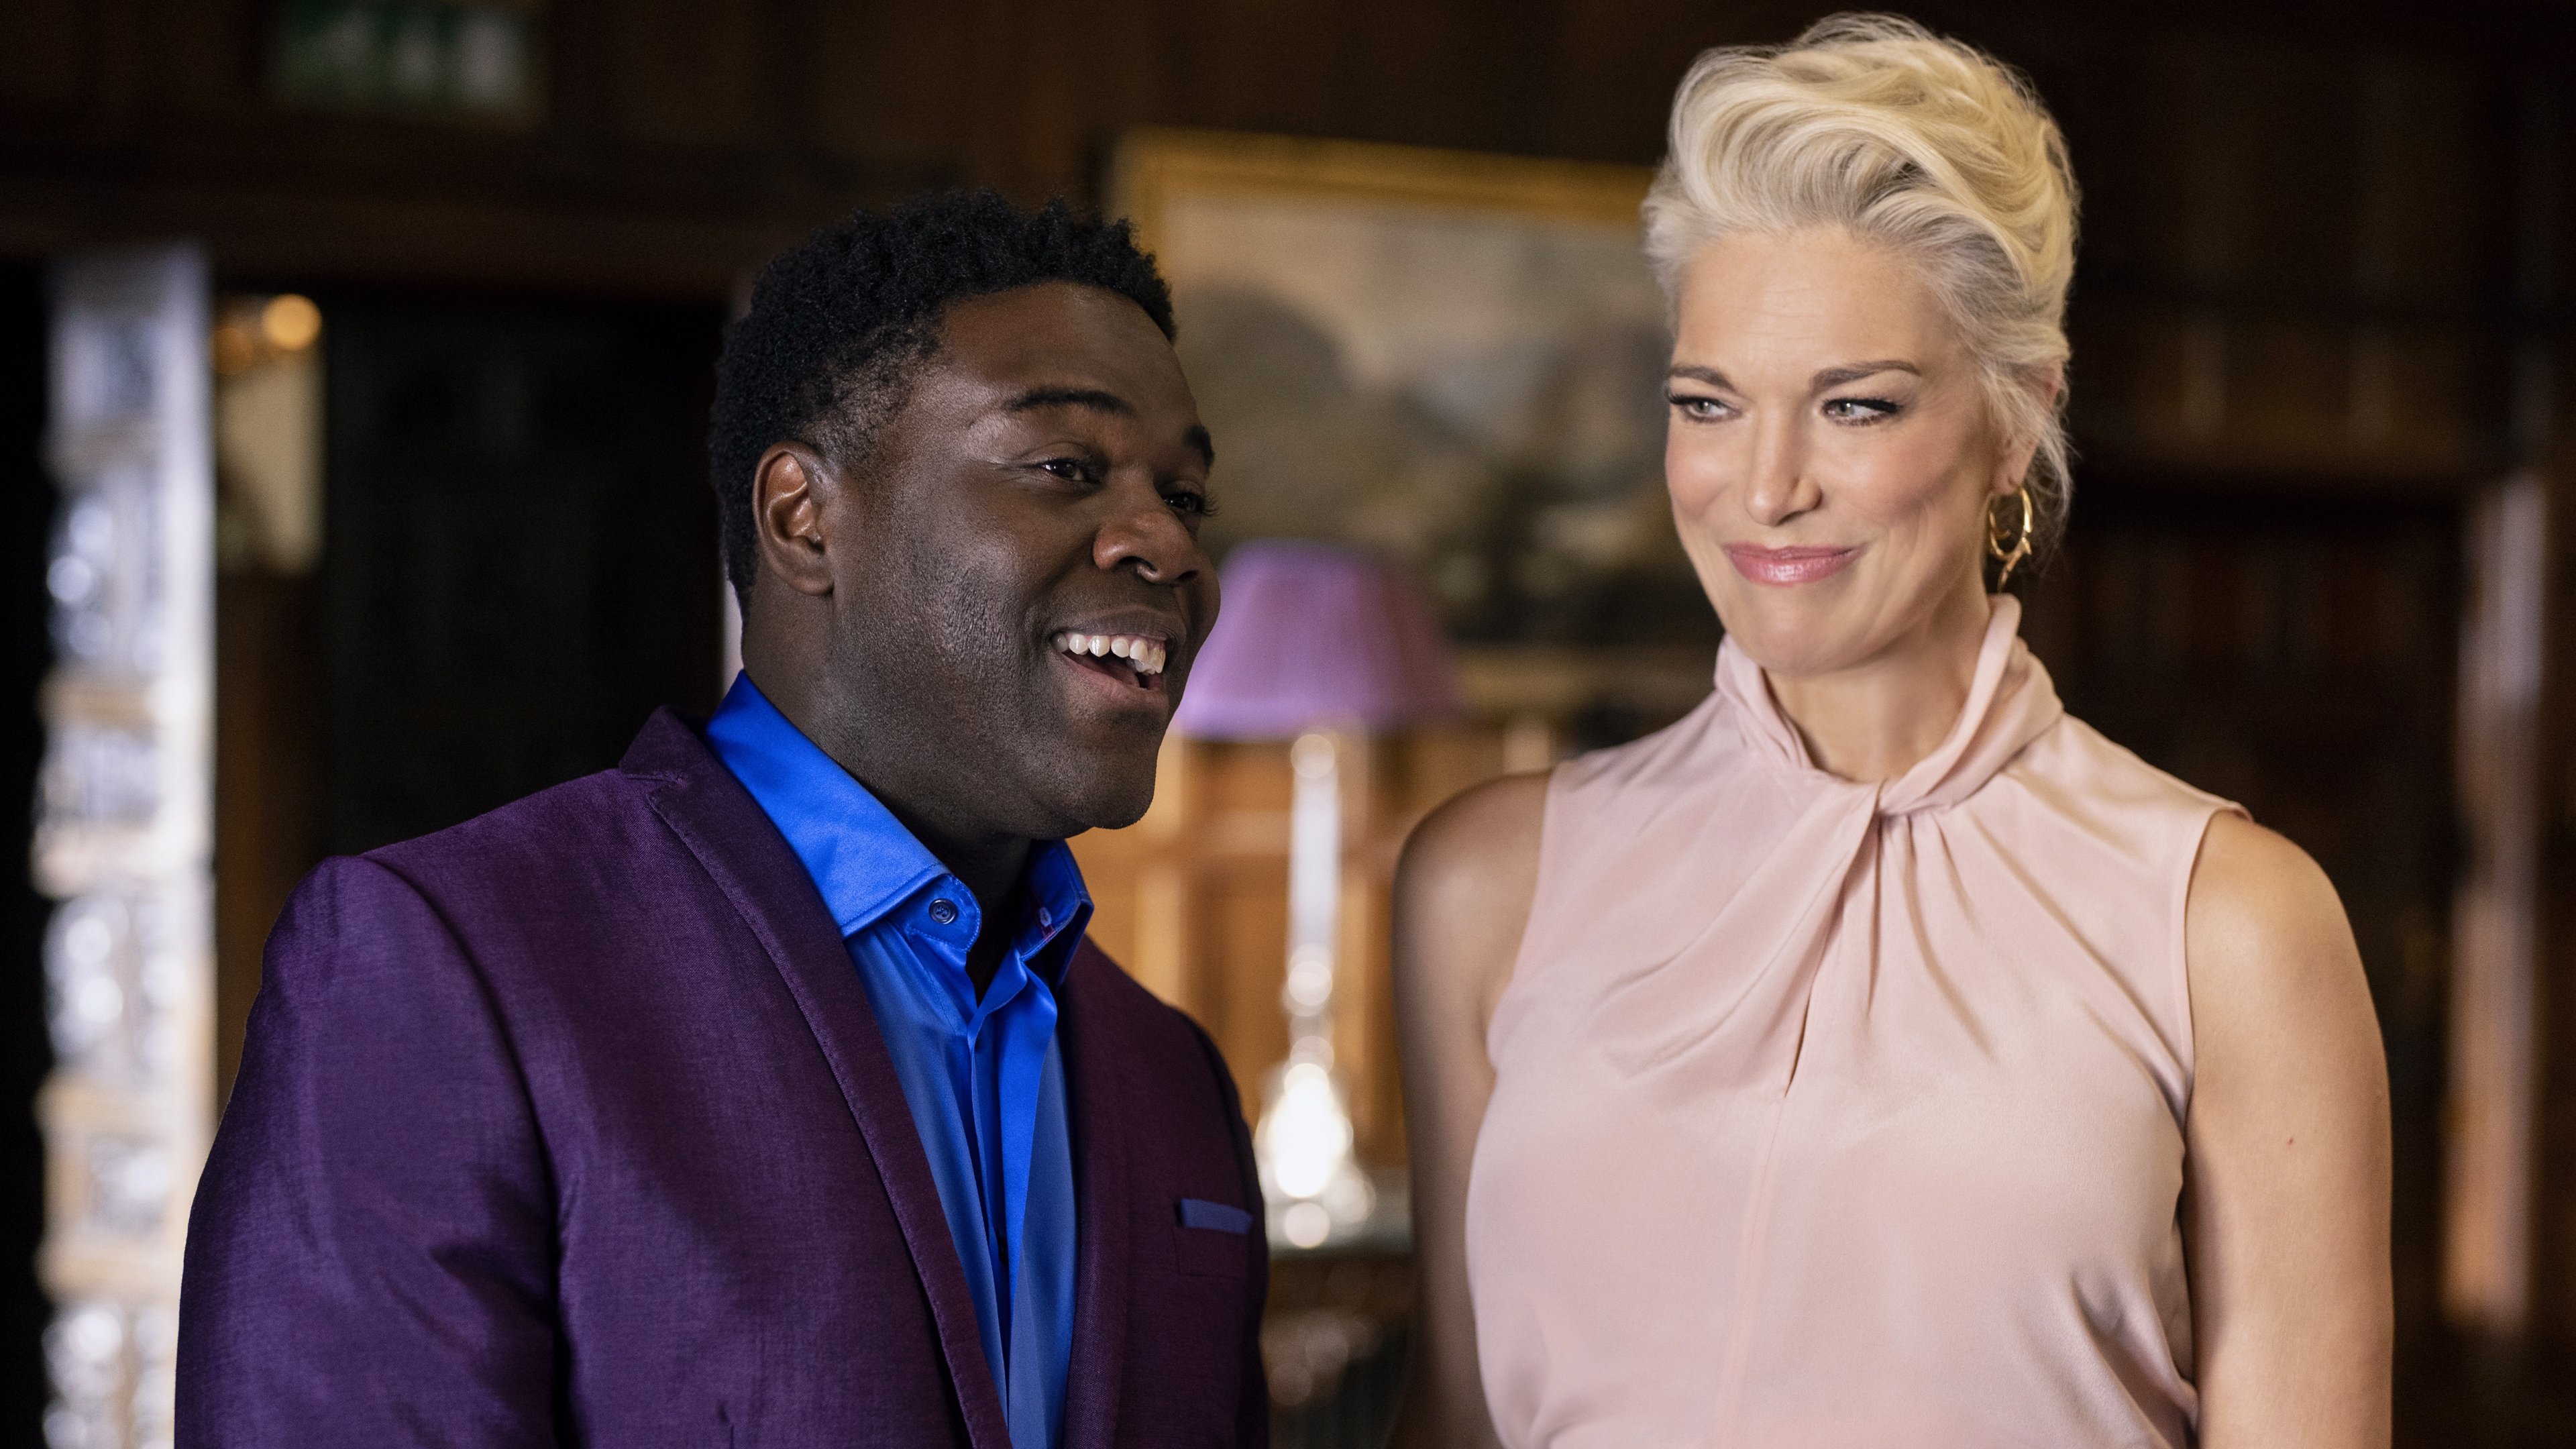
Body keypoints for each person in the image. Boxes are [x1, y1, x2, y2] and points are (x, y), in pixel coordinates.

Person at [1393, 17, 2391, 1449]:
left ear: (2014, 421)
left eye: (1854, 406)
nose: (1765, 487)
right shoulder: (1486, 883)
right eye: (1709, 404)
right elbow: (1455, 1417)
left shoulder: (2229, 923)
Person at [178, 191, 1269, 1448]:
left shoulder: (1169, 1073)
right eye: (1067, 468)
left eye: (1186, 496)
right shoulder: (442, 965)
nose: (1169, 545)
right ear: (804, 519)